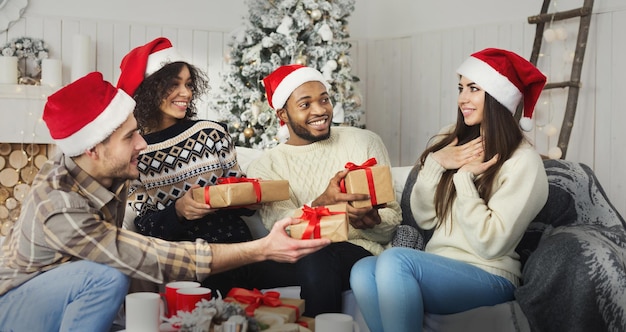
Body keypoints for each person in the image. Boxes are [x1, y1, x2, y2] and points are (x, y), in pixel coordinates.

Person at [0, 72, 330, 332]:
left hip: (65, 294)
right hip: (14, 307)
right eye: (130, 136)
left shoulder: (103, 169)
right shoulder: (60, 207)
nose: (142, 144)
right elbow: (147, 254)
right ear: (92, 148)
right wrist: (261, 248)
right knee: (105, 277)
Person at [349, 48, 550, 331]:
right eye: (460, 88)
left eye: (473, 88)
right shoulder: (452, 140)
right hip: (438, 265)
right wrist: (435, 163)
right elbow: (425, 217)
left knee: (395, 261)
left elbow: (491, 244)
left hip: (491, 276)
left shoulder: (523, 162)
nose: (462, 98)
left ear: (497, 97)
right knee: (362, 270)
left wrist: (464, 181)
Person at [116, 37, 302, 296]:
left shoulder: (212, 133)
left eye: (189, 85)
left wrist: (250, 198)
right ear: (149, 89)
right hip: (186, 262)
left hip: (240, 250)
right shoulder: (137, 151)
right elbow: (145, 228)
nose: (187, 93)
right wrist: (179, 210)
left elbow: (242, 201)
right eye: (174, 85)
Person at [246, 64, 403, 316]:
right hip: (295, 257)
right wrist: (322, 204)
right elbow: (282, 229)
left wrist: (371, 222)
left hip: (357, 252)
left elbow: (392, 219)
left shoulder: (364, 142)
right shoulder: (266, 166)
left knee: (318, 255)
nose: (320, 111)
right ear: (283, 114)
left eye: (324, 100)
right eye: (305, 104)